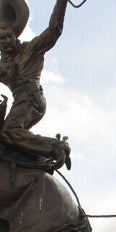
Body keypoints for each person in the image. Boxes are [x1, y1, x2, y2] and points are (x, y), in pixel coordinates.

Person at [0, 0, 71, 169]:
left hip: (32, 98)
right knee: (7, 142)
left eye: (10, 36)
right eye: (2, 39)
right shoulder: (4, 64)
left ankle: (55, 147)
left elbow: (53, 31)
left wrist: (61, 3)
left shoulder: (31, 49)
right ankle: (31, 157)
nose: (8, 41)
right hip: (20, 102)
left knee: (9, 132)